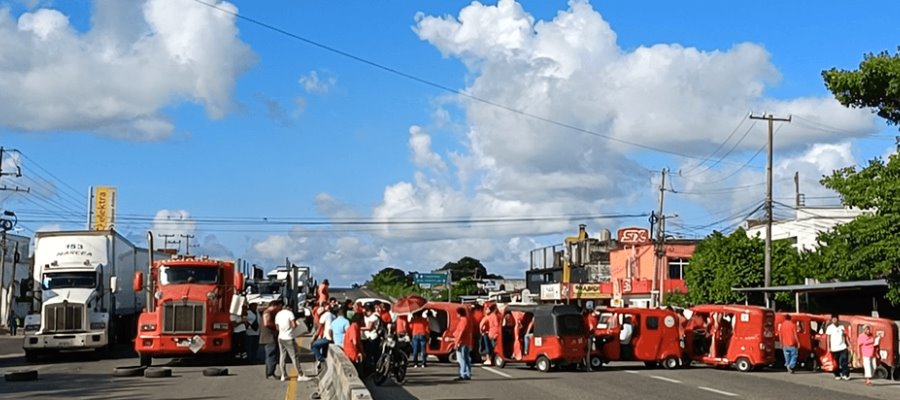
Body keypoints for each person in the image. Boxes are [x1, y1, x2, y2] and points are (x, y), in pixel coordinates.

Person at [275, 301, 312, 382]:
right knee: (294, 357)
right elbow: (294, 325)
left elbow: (277, 327)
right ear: (289, 308)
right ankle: (300, 374)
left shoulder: (278, 314)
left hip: (280, 337)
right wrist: (296, 328)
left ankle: (283, 375)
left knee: (282, 356)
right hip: (288, 337)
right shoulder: (290, 314)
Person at [445, 307, 473, 381]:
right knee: (465, 358)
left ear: (459, 313)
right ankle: (466, 373)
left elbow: (461, 332)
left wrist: (456, 342)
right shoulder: (466, 320)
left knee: (462, 359)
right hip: (464, 341)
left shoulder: (463, 321)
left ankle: (463, 374)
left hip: (462, 342)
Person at [825, 314, 850, 381]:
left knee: (844, 361)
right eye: (833, 319)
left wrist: (848, 345)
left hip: (843, 347)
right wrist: (828, 347)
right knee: (835, 363)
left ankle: (845, 374)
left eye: (835, 319)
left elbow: (845, 336)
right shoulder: (829, 328)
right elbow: (828, 338)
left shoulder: (841, 327)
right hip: (834, 348)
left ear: (838, 320)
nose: (834, 320)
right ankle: (837, 374)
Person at [311, 303, 335, 370]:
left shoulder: (324, 316)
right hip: (332, 338)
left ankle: (322, 359)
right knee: (324, 351)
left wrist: (314, 339)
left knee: (313, 346)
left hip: (327, 338)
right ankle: (323, 361)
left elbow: (319, 330)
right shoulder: (333, 315)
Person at [260, 301, 280, 379]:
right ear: (274, 306)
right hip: (269, 337)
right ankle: (270, 373)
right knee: (271, 355)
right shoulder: (267, 312)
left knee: (272, 355)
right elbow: (267, 323)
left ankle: (270, 372)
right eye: (278, 307)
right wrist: (276, 327)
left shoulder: (269, 312)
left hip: (270, 337)